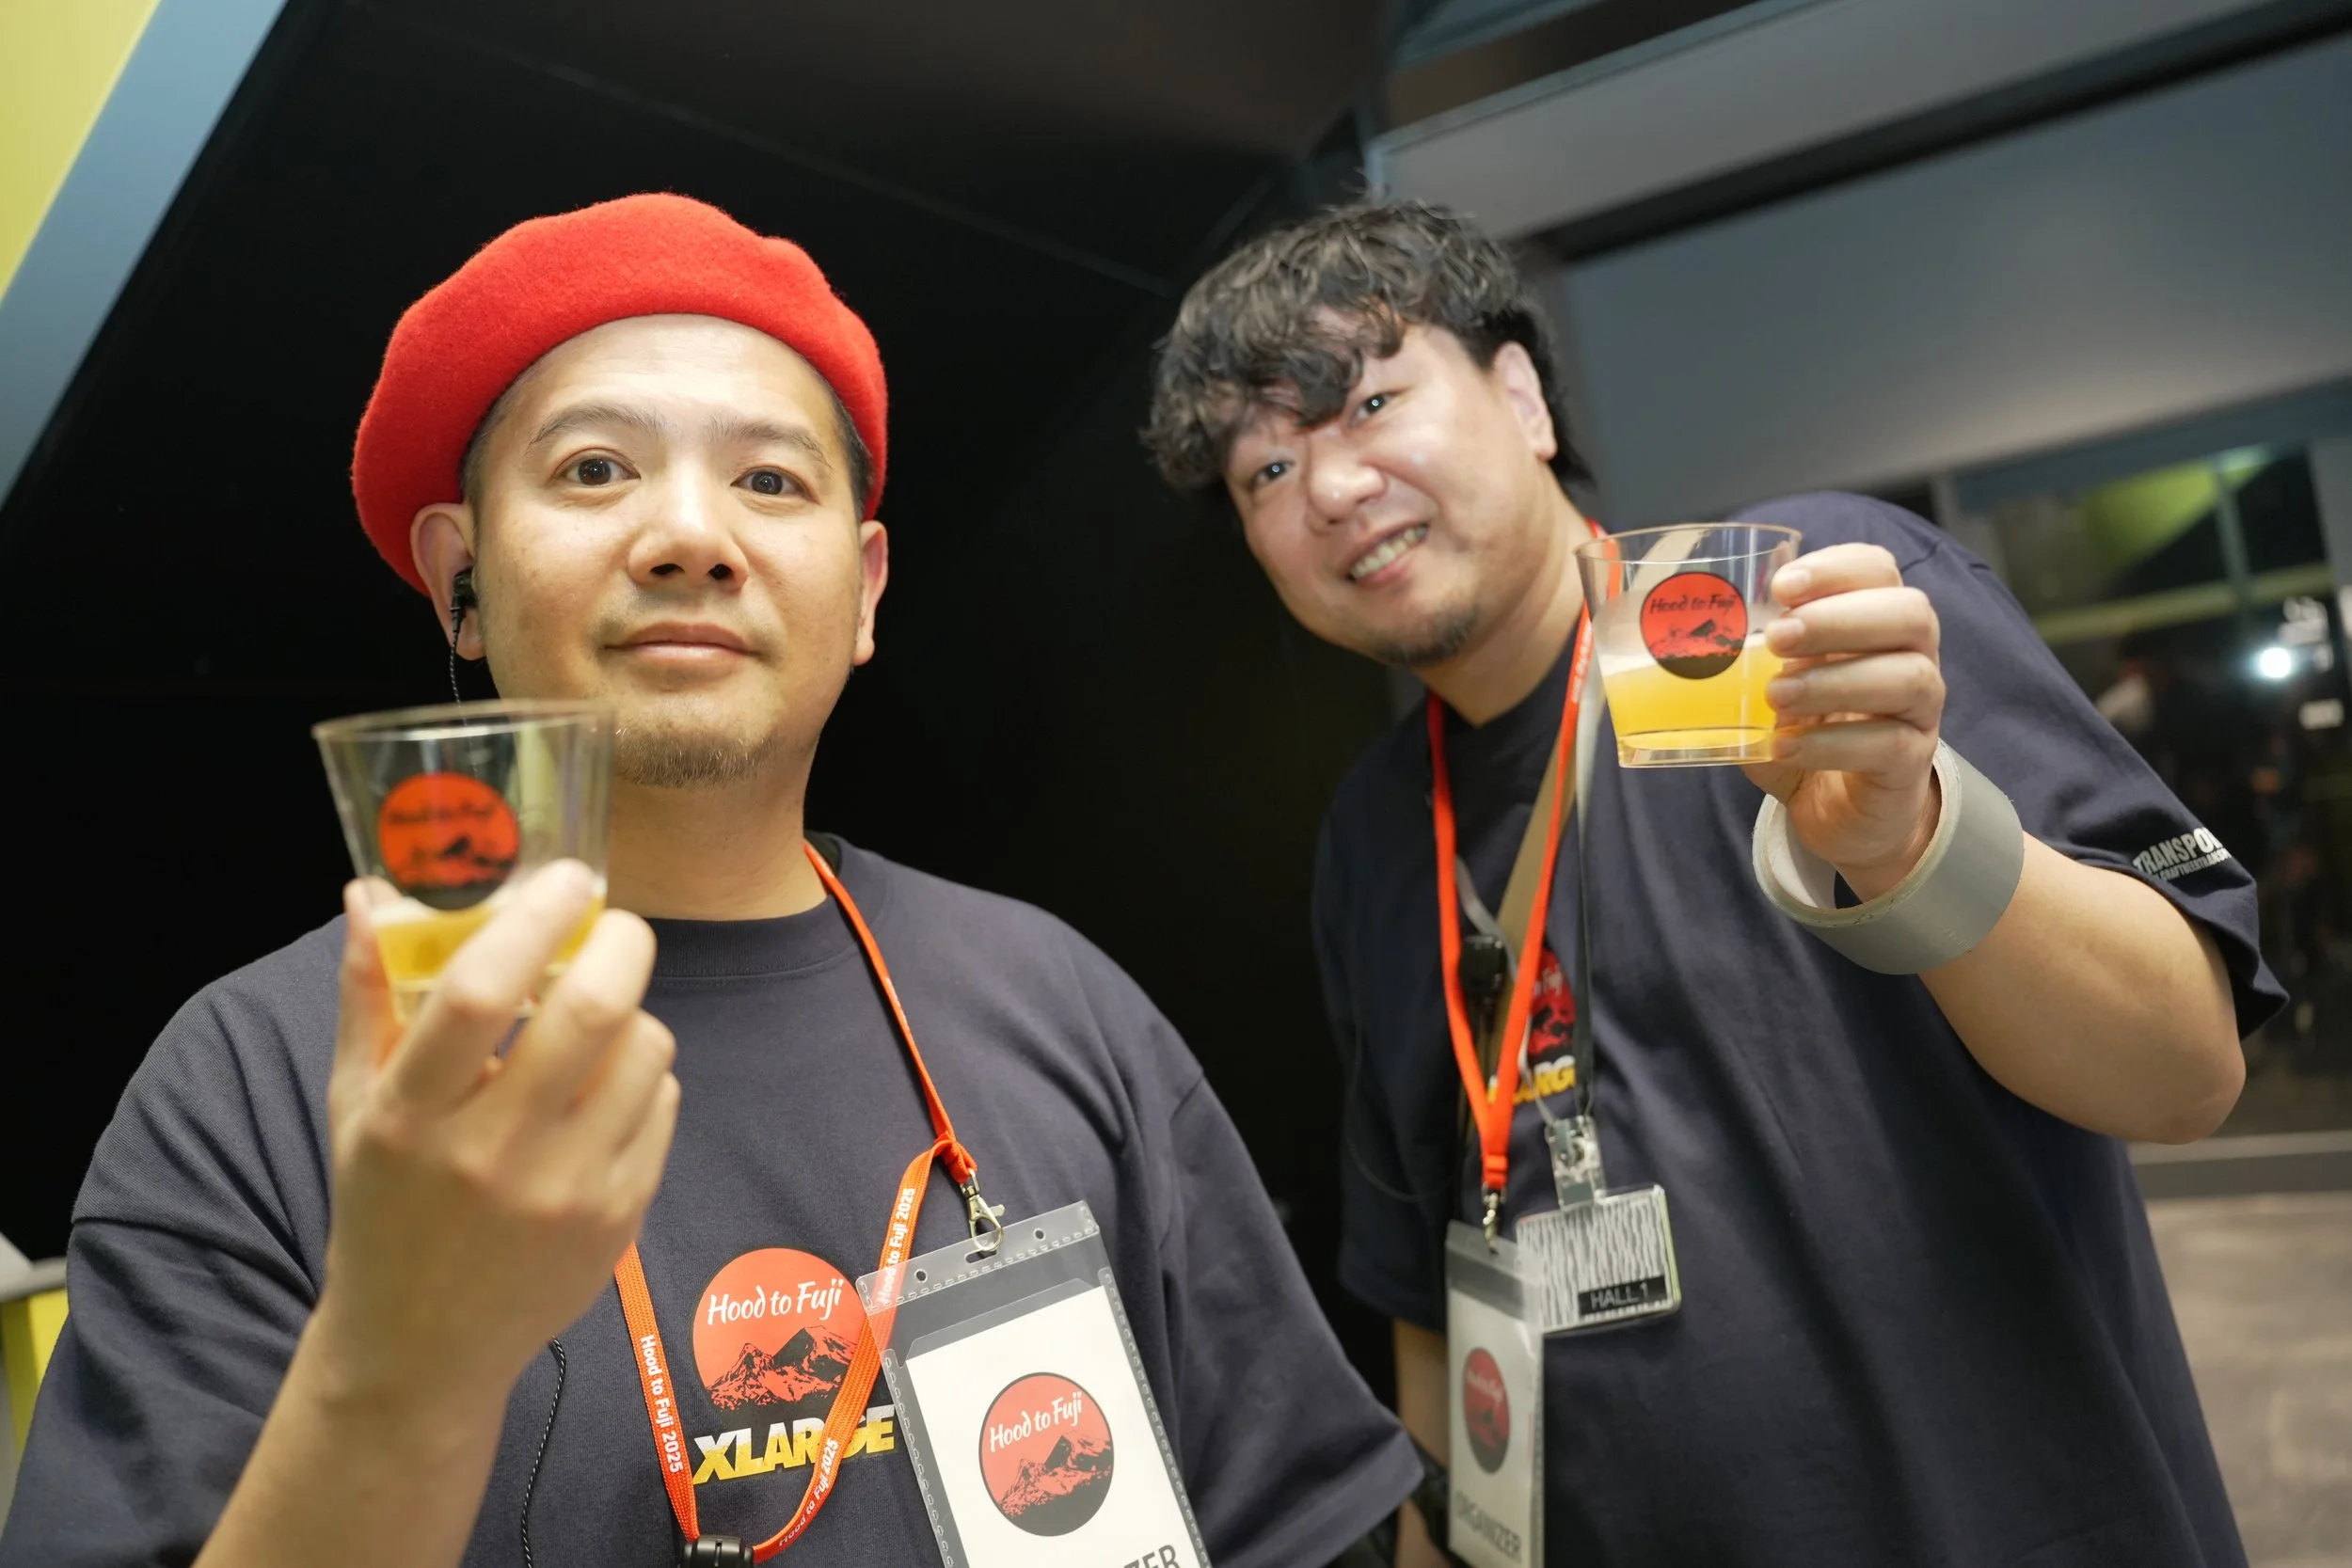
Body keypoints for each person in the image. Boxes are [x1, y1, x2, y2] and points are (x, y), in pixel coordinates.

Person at [0, 194, 1418, 1568]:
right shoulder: (253, 1082)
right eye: (595, 469)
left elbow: (1301, 1529)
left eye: (770, 480)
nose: (693, 536)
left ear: (863, 591)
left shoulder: (1060, 1003)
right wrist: (396, 1367)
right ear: (461, 584)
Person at [1143, 202, 2280, 1567]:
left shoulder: (1799, 620)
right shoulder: (1376, 835)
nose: (1328, 488)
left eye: (1372, 398)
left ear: (1520, 395)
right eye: (1264, 470)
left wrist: (1911, 841)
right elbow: (1429, 1287)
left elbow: (2187, 1072)